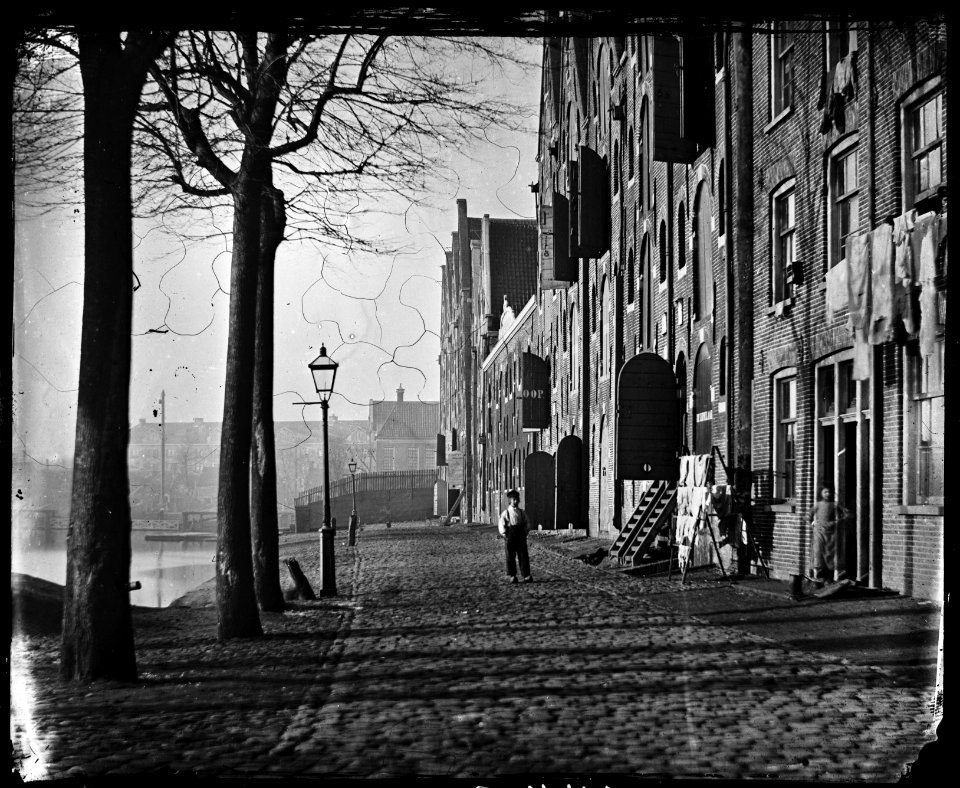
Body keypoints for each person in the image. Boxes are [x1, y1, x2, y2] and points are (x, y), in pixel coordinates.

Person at [807, 486, 845, 585]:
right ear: (821, 493)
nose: (827, 494)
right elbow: (808, 515)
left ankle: (829, 579)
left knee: (830, 555)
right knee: (818, 554)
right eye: (825, 492)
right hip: (819, 533)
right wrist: (812, 523)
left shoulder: (834, 505)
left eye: (829, 492)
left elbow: (846, 513)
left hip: (831, 534)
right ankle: (818, 579)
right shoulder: (818, 505)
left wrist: (837, 522)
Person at [498, 489, 532, 584]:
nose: (516, 501)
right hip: (510, 537)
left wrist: (525, 532)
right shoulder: (506, 513)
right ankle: (512, 576)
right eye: (514, 499)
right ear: (510, 501)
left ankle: (526, 575)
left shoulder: (521, 512)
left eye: (517, 499)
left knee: (523, 555)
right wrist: (505, 534)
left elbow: (527, 523)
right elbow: (501, 524)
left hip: (521, 536)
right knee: (510, 556)